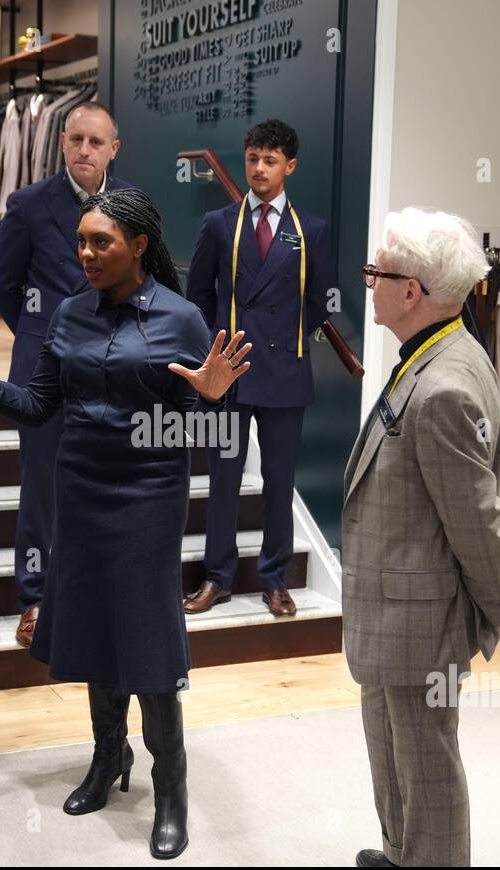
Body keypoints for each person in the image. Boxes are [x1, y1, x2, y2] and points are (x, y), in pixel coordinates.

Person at [0, 188, 251, 860]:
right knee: (92, 625)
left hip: (148, 495)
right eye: (80, 241)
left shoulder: (181, 319)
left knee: (146, 639)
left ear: (139, 245)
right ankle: (106, 758)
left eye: (100, 242)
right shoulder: (67, 313)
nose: (84, 253)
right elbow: (34, 406)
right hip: (79, 489)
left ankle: (170, 788)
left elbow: (209, 433)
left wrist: (211, 400)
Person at [343, 207, 500, 867]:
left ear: (412, 292)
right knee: (395, 752)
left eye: (377, 273)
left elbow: (475, 517)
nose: (368, 283)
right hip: (396, 610)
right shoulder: (435, 352)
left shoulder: (445, 384)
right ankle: (402, 855)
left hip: (419, 620)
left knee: (426, 763)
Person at [0, 101, 132, 647]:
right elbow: (2, 285)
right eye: (76, 140)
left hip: (114, 367)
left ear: (112, 148)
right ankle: (34, 598)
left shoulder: (131, 205)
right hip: (43, 371)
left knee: (104, 481)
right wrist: (40, 326)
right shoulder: (27, 204)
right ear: (62, 143)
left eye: (96, 142)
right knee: (41, 486)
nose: (84, 151)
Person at [184, 118, 332, 618]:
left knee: (278, 479)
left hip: (285, 374)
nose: (259, 168)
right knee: (223, 478)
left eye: (270, 160)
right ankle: (217, 577)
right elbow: (198, 297)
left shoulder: (311, 231)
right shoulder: (219, 224)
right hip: (228, 371)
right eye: (252, 158)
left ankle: (274, 580)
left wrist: (284, 341)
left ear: (289, 166)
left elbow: (318, 303)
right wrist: (215, 352)